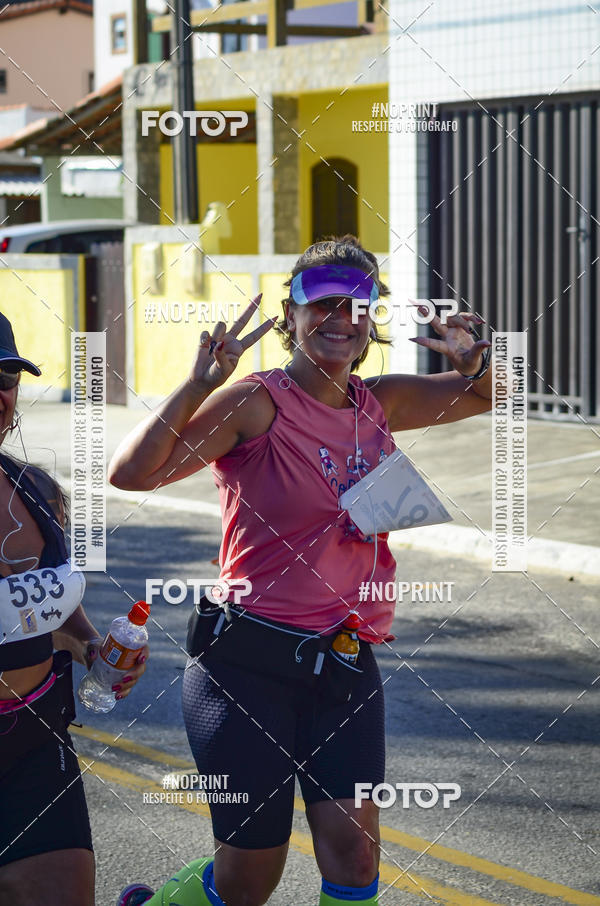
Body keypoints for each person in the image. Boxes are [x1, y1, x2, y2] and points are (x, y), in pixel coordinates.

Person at [109, 235, 493, 906]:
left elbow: (490, 395)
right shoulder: (256, 402)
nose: (340, 319)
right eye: (322, 305)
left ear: (372, 318)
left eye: (357, 304)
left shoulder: (381, 403)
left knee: (354, 848)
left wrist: (478, 356)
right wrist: (198, 385)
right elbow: (132, 474)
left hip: (343, 666)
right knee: (252, 875)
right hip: (246, 666)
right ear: (290, 315)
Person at [0, 312, 149, 906]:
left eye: (6, 377)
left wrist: (93, 650)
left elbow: (49, 609)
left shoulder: (36, 491)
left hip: (34, 738)